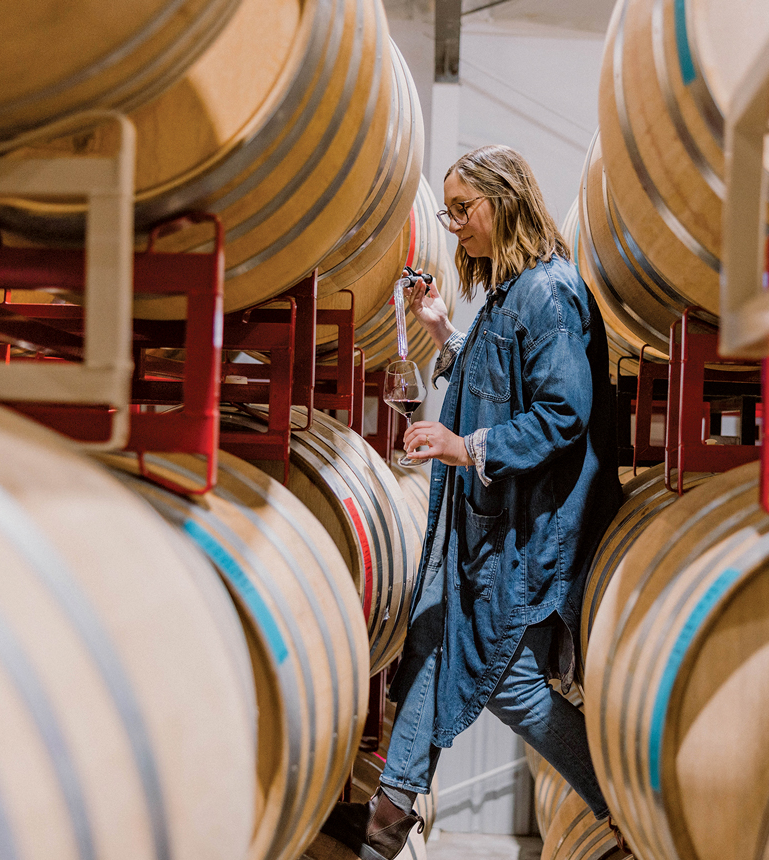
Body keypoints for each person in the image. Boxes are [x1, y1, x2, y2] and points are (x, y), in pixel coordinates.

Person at [320, 145, 625, 860]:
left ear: (506, 200)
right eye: (448, 212)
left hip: (525, 532)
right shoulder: (511, 291)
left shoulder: (548, 292)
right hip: (484, 527)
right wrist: (439, 331)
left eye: (464, 210)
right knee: (428, 648)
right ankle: (385, 828)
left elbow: (560, 412)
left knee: (510, 684)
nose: (453, 224)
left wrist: (465, 447)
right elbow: (499, 373)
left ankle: (621, 803)